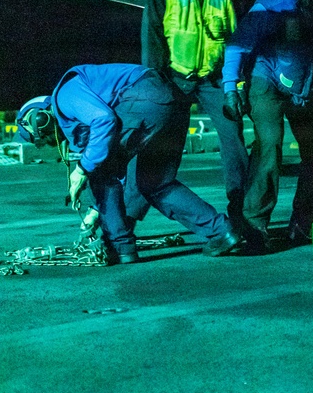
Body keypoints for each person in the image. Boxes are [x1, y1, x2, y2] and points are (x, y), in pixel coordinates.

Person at [16, 63, 241, 264]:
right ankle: (221, 231)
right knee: (156, 183)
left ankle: (120, 248)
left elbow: (104, 120)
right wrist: (95, 210)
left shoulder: (65, 94)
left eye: (44, 137)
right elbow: (115, 159)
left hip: (143, 96)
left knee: (100, 173)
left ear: (41, 119)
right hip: (170, 101)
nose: (51, 141)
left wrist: (82, 170)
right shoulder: (77, 109)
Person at [221, 0, 313, 252]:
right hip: (266, 79)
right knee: (269, 145)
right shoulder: (273, 5)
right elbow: (237, 46)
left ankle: (304, 222)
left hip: (305, 82)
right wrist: (231, 89)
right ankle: (254, 224)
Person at [140, 0, 252, 231]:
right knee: (162, 146)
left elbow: (244, 33)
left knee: (234, 142)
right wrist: (153, 83)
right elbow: (152, 33)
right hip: (175, 77)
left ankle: (240, 215)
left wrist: (239, 83)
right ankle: (124, 224)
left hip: (216, 78)